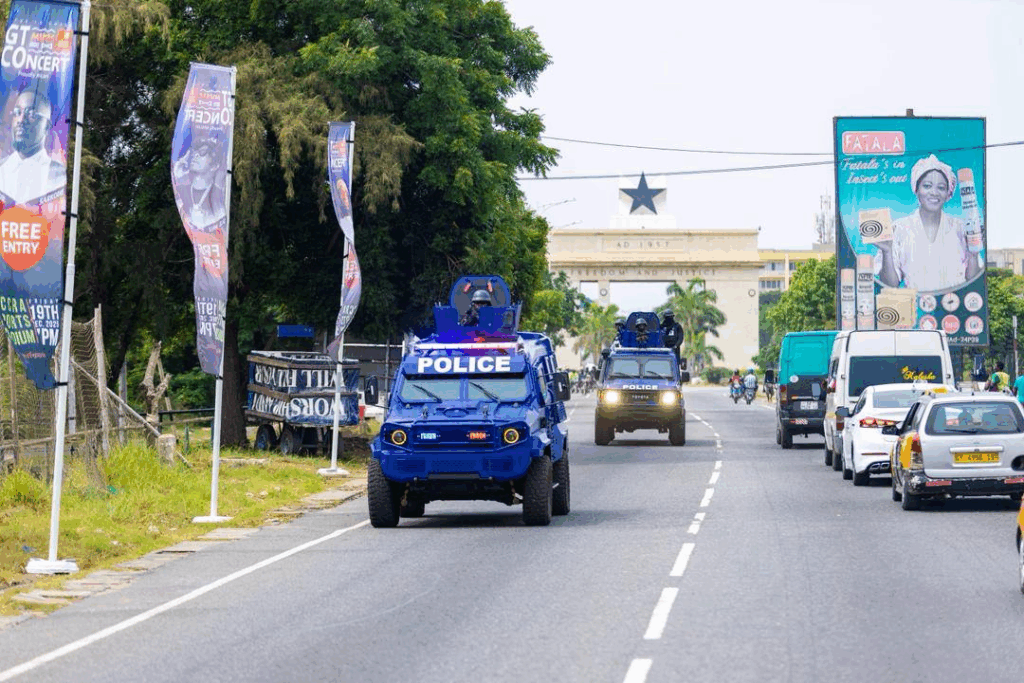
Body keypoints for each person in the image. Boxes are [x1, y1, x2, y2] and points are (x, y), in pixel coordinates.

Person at [875, 154, 982, 292]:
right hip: (917, 310)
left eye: (941, 188)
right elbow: (890, 284)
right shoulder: (899, 228)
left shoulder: (961, 228)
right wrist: (887, 252)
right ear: (916, 189)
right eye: (927, 186)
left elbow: (972, 280)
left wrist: (973, 253)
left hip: (954, 308)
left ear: (948, 193)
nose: (934, 193)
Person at [0, 85, 67, 205]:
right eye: (17, 112)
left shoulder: (58, 176)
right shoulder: (2, 167)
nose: (21, 120)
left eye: (31, 114)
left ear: (47, 126)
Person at [172, 130, 228, 232]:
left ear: (214, 165)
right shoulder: (182, 190)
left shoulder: (218, 197)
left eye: (202, 153)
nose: (195, 155)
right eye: (196, 152)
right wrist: (178, 170)